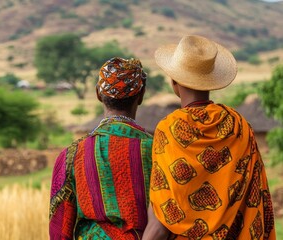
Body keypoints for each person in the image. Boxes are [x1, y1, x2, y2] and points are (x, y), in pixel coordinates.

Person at [143, 35, 276, 240]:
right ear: (210, 81)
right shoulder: (239, 125)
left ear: (173, 81)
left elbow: (163, 207)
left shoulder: (168, 129)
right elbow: (257, 196)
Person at [49, 57, 152, 239]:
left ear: (98, 94)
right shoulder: (159, 150)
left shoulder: (72, 155)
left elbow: (59, 230)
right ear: (141, 95)